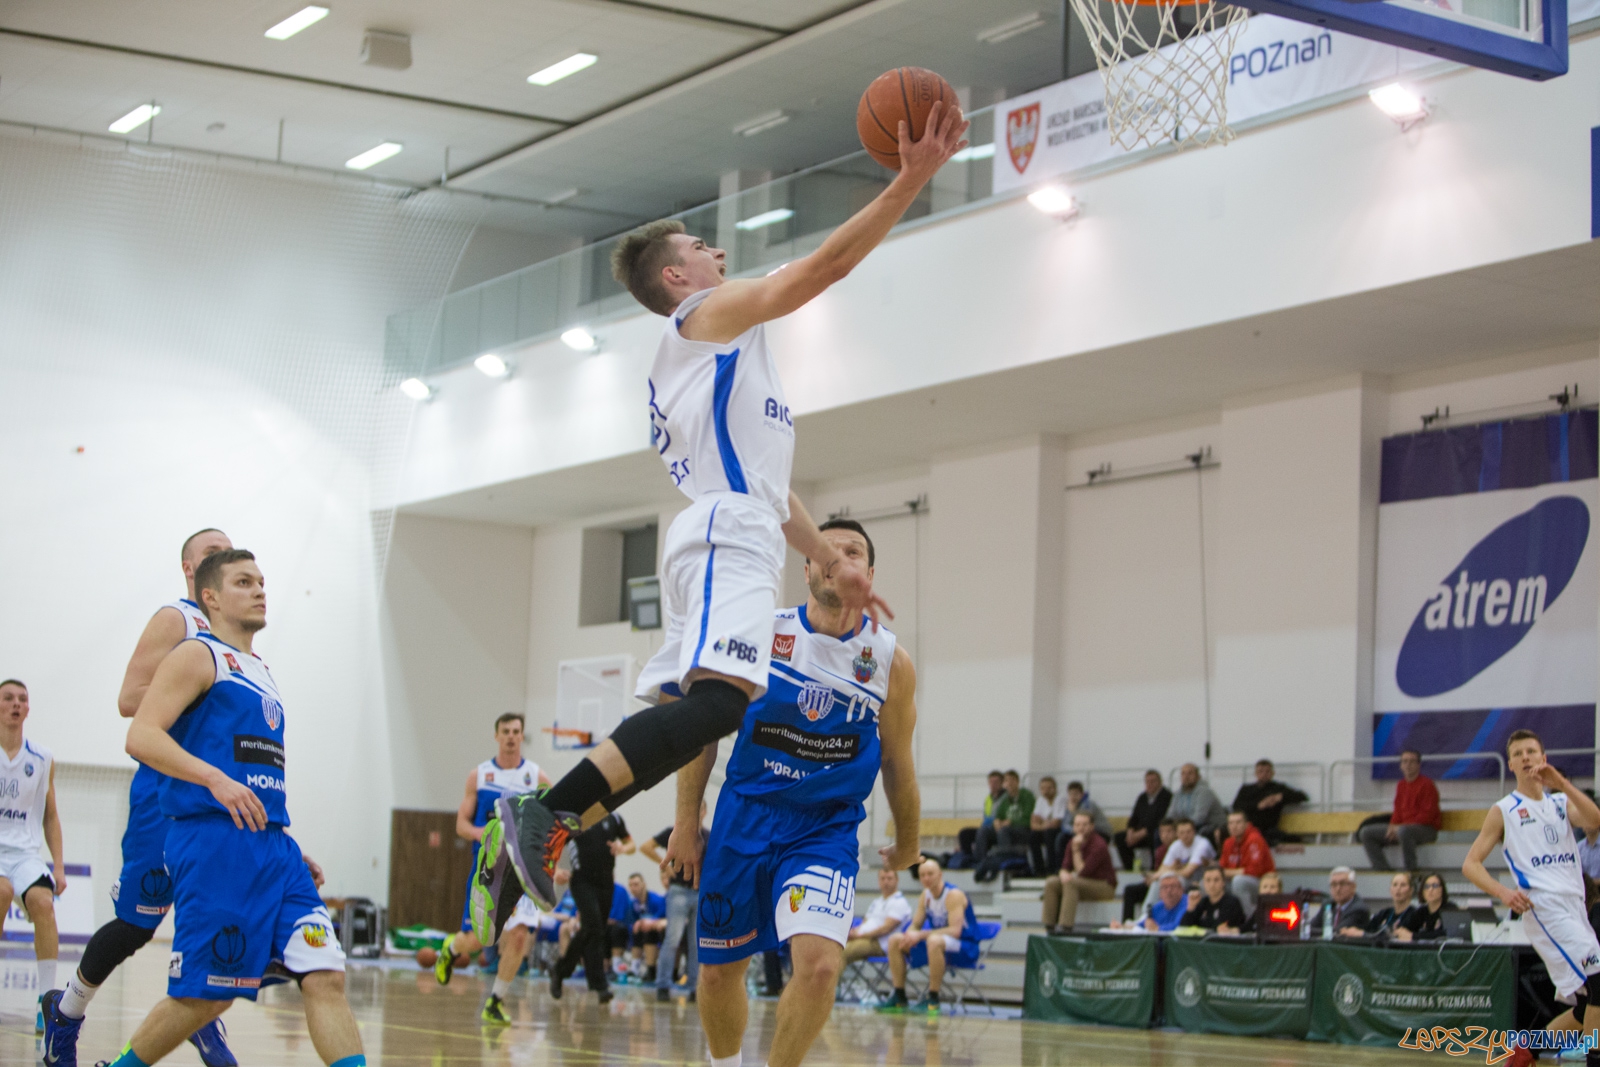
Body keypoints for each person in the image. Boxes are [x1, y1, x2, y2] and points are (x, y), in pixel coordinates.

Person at [479, 99, 968, 928]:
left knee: (688, 715)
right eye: (703, 248)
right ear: (676, 277)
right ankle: (547, 813)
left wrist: (830, 560)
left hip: (726, 530)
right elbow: (821, 269)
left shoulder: (723, 363)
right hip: (725, 537)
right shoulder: (700, 319)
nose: (720, 253)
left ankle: (552, 826)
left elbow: (776, 496)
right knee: (720, 709)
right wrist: (909, 181)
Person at [94, 549, 366, 1067]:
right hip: (214, 843)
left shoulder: (262, 670)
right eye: (244, 582)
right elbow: (141, 735)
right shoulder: (198, 655)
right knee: (205, 997)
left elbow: (257, 771)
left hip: (274, 850)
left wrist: (283, 841)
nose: (260, 589)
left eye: (261, 581)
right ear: (211, 597)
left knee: (325, 976)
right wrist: (214, 779)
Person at [672, 518, 922, 1067]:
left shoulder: (890, 662)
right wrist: (686, 821)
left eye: (853, 552)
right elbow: (702, 731)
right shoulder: (760, 633)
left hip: (825, 828)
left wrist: (910, 842)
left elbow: (898, 762)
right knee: (716, 975)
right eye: (827, 551)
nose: (839, 560)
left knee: (820, 968)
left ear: (869, 574)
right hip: (745, 815)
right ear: (807, 565)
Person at [46, 529, 238, 1067]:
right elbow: (129, 699)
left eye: (228, 550)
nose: (222, 557)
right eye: (211, 551)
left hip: (213, 792)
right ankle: (65, 1012)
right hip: (165, 789)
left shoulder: (234, 639)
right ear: (189, 569)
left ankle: (201, 1016)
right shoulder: (178, 620)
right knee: (136, 924)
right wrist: (191, 690)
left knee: (208, 907)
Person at [1463, 729, 1600, 1067]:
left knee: (1587, 1004)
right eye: (1518, 753)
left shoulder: (1560, 802)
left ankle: (1525, 1051)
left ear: (1543, 758)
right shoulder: (1504, 810)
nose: (1525, 757)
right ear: (1510, 764)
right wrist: (1503, 892)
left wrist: (1562, 783)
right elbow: (1471, 863)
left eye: (1531, 751)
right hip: (1543, 907)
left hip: (1575, 907)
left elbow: (1595, 820)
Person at [434, 713, 549, 1023]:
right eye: (505, 731)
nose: (511, 736)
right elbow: (461, 825)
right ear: (496, 736)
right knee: (478, 941)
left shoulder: (536, 776)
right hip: (489, 866)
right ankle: (452, 948)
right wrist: (484, 833)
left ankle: (495, 1001)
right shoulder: (480, 775)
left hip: (523, 867)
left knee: (520, 936)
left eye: (516, 731)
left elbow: (555, 815)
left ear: (522, 736)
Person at [0, 680, 65, 1036]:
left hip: (25, 853)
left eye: (22, 699)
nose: (15, 704)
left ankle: (46, 1001)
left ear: (27, 709)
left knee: (43, 902)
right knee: (2, 893)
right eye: (8, 698)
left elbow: (50, 815)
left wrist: (58, 866)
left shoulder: (41, 758)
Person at [548, 811, 633, 1004]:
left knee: (596, 932)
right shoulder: (578, 815)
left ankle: (596, 984)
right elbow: (555, 843)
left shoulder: (614, 817)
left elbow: (631, 844)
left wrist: (622, 848)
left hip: (606, 882)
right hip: (582, 881)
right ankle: (566, 971)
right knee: (592, 926)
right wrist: (556, 870)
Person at [881, 859, 978, 1014]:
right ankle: (899, 995)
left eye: (930, 874)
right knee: (895, 939)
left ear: (940, 875)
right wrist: (909, 935)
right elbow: (915, 924)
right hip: (939, 945)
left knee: (933, 941)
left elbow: (955, 931)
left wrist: (919, 935)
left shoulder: (953, 895)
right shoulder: (925, 896)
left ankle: (933, 998)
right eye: (922, 875)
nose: (926, 878)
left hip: (965, 947)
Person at [639, 802, 707, 1001]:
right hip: (679, 891)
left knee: (696, 943)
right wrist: (665, 866)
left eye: (700, 809)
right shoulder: (674, 832)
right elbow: (646, 847)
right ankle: (663, 984)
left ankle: (695, 988)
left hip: (700, 892)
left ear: (704, 812)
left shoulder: (708, 836)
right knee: (672, 939)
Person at [1359, 749, 1442, 871]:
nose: (1408, 765)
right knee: (1366, 833)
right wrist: (1393, 826)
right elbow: (1398, 811)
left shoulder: (1427, 784)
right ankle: (1382, 871)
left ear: (1418, 765)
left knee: (1404, 831)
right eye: (1405, 761)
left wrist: (1400, 827)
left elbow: (1427, 816)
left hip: (1426, 830)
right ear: (1401, 765)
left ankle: (1411, 871)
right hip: (1404, 829)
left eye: (1412, 761)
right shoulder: (1401, 785)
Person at [1041, 812, 1117, 934]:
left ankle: (1065, 927)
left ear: (1092, 826)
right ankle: (1049, 926)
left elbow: (1083, 872)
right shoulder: (1072, 841)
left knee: (1070, 882)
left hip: (1104, 886)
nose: (1081, 828)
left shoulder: (1099, 845)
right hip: (1083, 883)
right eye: (1077, 825)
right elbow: (1065, 867)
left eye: (1084, 824)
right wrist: (1063, 873)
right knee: (1052, 882)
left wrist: (1076, 850)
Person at [1231, 759, 1309, 846]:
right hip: (1248, 828)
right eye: (1260, 771)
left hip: (1269, 829)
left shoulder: (1278, 788)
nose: (1264, 774)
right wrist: (1258, 805)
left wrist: (1281, 797)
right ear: (1255, 773)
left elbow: (1303, 797)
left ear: (1272, 773)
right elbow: (1236, 806)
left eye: (1267, 771)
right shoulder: (1246, 789)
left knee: (1288, 839)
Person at [844, 867, 913, 965]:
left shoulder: (900, 902)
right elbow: (865, 923)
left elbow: (885, 929)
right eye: (882, 878)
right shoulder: (876, 902)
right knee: (834, 947)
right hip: (864, 938)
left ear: (897, 880)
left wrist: (860, 936)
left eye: (889, 878)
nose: (886, 882)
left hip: (881, 943)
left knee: (845, 952)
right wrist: (854, 932)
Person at [973, 770, 1033, 873]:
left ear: (1017, 781)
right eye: (1006, 780)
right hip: (1006, 829)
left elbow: (1028, 818)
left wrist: (1011, 822)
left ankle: (1004, 862)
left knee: (1003, 831)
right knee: (983, 831)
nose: (1009, 783)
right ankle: (981, 863)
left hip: (1023, 830)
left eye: (1011, 780)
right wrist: (996, 822)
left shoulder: (1026, 795)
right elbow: (998, 816)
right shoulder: (1005, 800)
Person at [611, 872, 666, 981]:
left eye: (636, 884)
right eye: (630, 885)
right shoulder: (633, 904)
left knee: (648, 932)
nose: (633, 888)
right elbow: (631, 922)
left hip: (658, 933)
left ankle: (651, 970)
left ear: (643, 884)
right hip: (640, 936)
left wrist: (647, 922)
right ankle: (633, 968)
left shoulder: (656, 900)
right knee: (630, 930)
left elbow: (663, 917)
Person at [1114, 770, 1172, 871]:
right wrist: (1130, 832)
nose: (1150, 784)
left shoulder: (1166, 796)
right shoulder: (1142, 797)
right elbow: (1134, 817)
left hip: (1153, 831)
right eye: (1147, 781)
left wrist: (1141, 833)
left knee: (1155, 836)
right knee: (1120, 837)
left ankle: (1154, 869)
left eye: (1153, 781)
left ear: (1160, 782)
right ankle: (1129, 869)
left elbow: (1160, 820)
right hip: (1139, 832)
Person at [1121, 820, 1178, 922]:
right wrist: (1150, 877)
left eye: (1169, 831)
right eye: (1162, 832)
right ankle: (1127, 923)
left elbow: (1172, 871)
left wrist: (1155, 878)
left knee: (1156, 885)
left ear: (1175, 833)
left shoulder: (1179, 848)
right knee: (1130, 891)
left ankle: (1146, 917)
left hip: (1169, 884)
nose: (1165, 835)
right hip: (1158, 880)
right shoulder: (1160, 850)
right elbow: (1158, 871)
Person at [1219, 810, 1274, 914]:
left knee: (1239, 881)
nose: (1234, 826)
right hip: (1237, 880)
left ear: (1246, 824)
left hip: (1263, 883)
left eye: (1238, 822)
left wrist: (1229, 872)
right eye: (1231, 823)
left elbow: (1255, 870)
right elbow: (1221, 869)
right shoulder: (1228, 842)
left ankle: (1248, 918)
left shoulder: (1255, 839)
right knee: (1210, 883)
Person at [1168, 764, 1229, 845]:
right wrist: (1171, 826)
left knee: (1199, 832)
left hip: (1211, 825)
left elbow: (1199, 818)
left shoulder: (1204, 792)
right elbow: (1171, 815)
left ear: (1198, 776)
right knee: (1163, 831)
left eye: (1190, 773)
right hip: (1186, 826)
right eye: (1183, 773)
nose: (1186, 777)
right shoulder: (1177, 794)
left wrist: (1181, 827)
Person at [1112, 871, 1188, 932]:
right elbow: (1142, 925)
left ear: (1181, 889)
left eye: (1173, 886)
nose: (1169, 890)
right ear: (1160, 893)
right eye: (1165, 887)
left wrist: (1158, 929)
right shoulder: (1157, 907)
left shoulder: (1187, 904)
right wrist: (1122, 927)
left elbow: (1181, 926)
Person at [1181, 866, 1248, 933]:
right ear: (1203, 883)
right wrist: (1190, 909)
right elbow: (1184, 928)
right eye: (1208, 880)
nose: (1212, 885)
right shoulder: (1202, 902)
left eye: (1216, 880)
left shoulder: (1232, 902)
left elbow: (1220, 928)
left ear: (1223, 882)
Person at [1307, 866, 1370, 938]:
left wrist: (1316, 931)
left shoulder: (1359, 909)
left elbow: (1338, 932)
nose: (1338, 889)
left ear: (1353, 887)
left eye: (1342, 884)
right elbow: (1309, 929)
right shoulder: (1328, 904)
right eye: (1334, 884)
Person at [959, 771, 1005, 866]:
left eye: (996, 782)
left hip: (998, 830)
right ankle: (968, 858)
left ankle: (981, 862)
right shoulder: (988, 799)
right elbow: (986, 817)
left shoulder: (1006, 798)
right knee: (964, 833)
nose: (993, 785)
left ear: (1002, 783)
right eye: (991, 782)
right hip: (986, 827)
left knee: (983, 832)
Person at [1394, 872, 1455, 941]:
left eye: (1435, 886)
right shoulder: (1421, 912)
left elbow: (1445, 934)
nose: (1430, 890)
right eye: (1426, 886)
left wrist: (1414, 936)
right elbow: (1404, 928)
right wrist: (1401, 931)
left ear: (1442, 889)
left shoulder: (1450, 910)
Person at [1028, 776, 1068, 875]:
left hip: (1061, 829)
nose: (1046, 791)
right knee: (1032, 836)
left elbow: (1056, 823)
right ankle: (1039, 869)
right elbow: (1033, 824)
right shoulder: (1040, 800)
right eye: (1043, 788)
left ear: (1055, 788)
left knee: (1049, 834)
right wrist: (1044, 824)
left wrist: (1042, 822)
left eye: (1049, 788)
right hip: (1046, 829)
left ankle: (1052, 868)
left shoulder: (1061, 799)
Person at [1164, 817, 1217, 887]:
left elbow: (1187, 872)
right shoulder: (1175, 845)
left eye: (1188, 832)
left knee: (1176, 880)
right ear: (1177, 834)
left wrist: (1170, 871)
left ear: (1194, 832)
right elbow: (1163, 867)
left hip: (1207, 876)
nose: (1185, 835)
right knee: (1159, 881)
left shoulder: (1202, 843)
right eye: (1182, 832)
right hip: (1188, 877)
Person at [1366, 872, 1419, 938]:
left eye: (1403, 885)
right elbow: (1368, 930)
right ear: (1390, 890)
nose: (1398, 888)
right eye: (1395, 885)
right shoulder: (1384, 913)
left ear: (1411, 890)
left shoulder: (1415, 915)